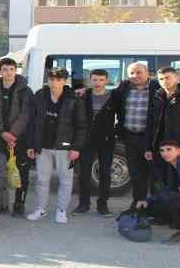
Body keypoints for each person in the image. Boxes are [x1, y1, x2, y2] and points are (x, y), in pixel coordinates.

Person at [26, 68, 87, 224]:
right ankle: (40, 209)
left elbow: (81, 126)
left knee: (65, 180)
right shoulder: (40, 95)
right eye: (51, 79)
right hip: (43, 146)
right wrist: (31, 144)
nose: (54, 83)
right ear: (47, 80)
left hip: (64, 147)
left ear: (64, 81)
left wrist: (76, 148)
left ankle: (61, 210)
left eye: (58, 80)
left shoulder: (74, 98)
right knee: (42, 180)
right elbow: (32, 122)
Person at [0, 57, 34, 216]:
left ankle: (19, 203)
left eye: (12, 69)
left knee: (20, 172)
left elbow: (26, 114)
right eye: (5, 69)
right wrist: (1, 132)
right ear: (0, 71)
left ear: (16, 70)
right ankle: (1, 203)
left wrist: (12, 135)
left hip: (19, 138)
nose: (8, 73)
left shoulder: (25, 90)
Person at [111, 62, 160, 208]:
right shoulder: (124, 87)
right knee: (135, 172)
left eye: (139, 72)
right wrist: (81, 91)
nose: (135, 76)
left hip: (151, 138)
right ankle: (138, 201)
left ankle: (156, 205)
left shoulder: (157, 86)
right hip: (130, 137)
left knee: (155, 174)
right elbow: (106, 94)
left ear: (147, 73)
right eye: (132, 73)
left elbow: (178, 86)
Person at [73, 69, 116, 217]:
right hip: (87, 140)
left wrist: (115, 132)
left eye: (101, 80)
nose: (98, 83)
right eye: (95, 80)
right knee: (83, 173)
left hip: (106, 140)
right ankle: (83, 204)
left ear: (106, 80)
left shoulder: (114, 96)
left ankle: (102, 205)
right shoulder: (83, 95)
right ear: (90, 80)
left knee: (105, 173)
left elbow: (122, 115)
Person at [137, 140, 180, 245]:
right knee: (167, 200)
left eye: (169, 149)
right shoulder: (173, 166)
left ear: (179, 151)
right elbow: (167, 190)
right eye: (162, 150)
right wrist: (148, 201)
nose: (165, 153)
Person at [149, 67, 180, 188]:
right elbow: (152, 124)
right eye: (161, 79)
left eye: (168, 77)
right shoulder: (158, 96)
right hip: (160, 148)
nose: (164, 81)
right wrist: (149, 148)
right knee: (160, 181)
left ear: (177, 78)